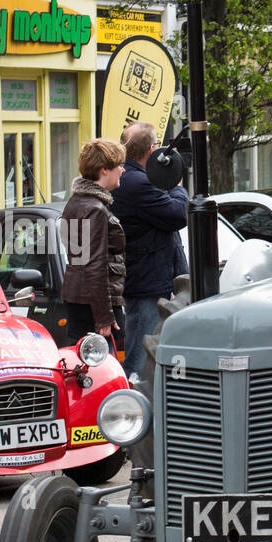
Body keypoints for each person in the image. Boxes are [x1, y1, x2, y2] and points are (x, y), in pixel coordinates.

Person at [112, 121, 189, 380]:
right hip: (148, 283)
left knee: (145, 349)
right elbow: (178, 214)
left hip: (144, 278)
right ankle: (135, 408)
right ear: (151, 149)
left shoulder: (131, 179)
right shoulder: (139, 182)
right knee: (140, 357)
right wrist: (177, 186)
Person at [61, 139, 127, 349]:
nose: (122, 170)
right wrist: (104, 317)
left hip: (81, 299)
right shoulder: (94, 208)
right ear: (104, 170)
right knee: (103, 369)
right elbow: (94, 264)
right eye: (119, 165)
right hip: (93, 305)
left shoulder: (77, 201)